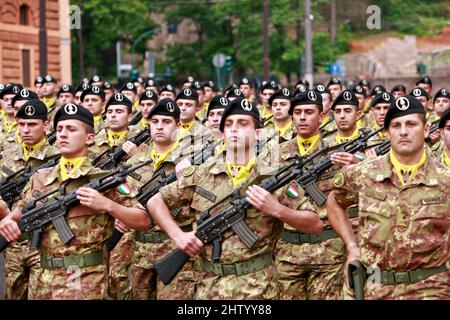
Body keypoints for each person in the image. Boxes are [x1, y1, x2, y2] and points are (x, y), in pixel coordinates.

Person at [147, 97, 323, 300]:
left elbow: (315, 223)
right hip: (208, 287)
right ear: (222, 133)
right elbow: (155, 201)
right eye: (228, 124)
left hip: (258, 289)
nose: (234, 129)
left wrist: (277, 209)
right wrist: (179, 236)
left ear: (258, 134)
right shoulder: (201, 173)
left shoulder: (272, 177)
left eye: (243, 123)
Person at [0, 103, 150, 299]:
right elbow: (23, 209)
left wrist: (108, 205)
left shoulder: (103, 180)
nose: (63, 134)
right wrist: (9, 220)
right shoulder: (40, 177)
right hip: (42, 281)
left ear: (89, 138)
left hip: (85, 280)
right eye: (60, 129)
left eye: (71, 129)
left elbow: (143, 220)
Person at [327, 95, 450, 300]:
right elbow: (335, 201)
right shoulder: (362, 174)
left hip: (431, 288)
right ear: (387, 132)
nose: (403, 131)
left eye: (411, 124)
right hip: (376, 287)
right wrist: (351, 246)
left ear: (426, 129)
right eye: (396, 125)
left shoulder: (445, 180)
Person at [0, 99, 60, 300]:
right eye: (22, 124)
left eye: (32, 124)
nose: (26, 129)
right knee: (13, 293)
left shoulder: (59, 157)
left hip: (43, 241)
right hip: (12, 242)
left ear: (45, 125)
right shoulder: (7, 157)